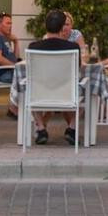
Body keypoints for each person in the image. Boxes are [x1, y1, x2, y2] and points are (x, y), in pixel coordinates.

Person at [25, 9, 81, 145]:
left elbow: (29, 71)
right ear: (62, 28)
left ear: (45, 26)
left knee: (29, 89)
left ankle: (41, 128)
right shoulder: (73, 47)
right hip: (67, 94)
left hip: (40, 94)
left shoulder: (33, 47)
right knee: (87, 90)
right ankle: (71, 128)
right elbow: (78, 69)